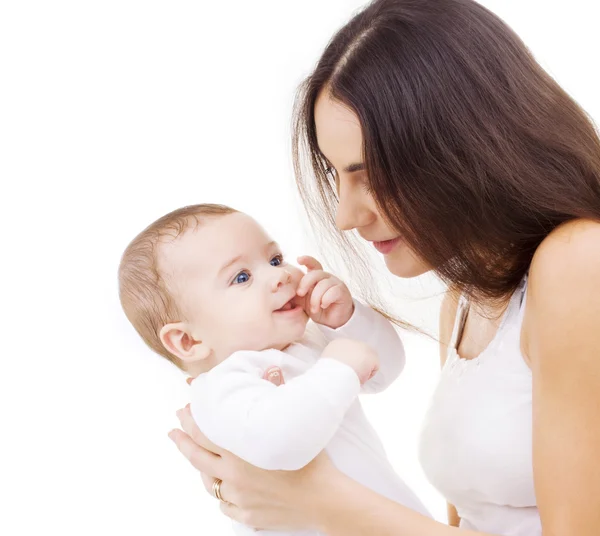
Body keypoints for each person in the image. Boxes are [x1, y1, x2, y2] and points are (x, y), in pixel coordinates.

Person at [168, 1, 600, 534]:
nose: (345, 216)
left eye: (368, 174)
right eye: (337, 176)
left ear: (465, 148)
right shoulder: (464, 305)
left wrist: (316, 497)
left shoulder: (580, 262)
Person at [118, 204, 430, 535]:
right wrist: (340, 365)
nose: (280, 275)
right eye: (242, 277)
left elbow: (384, 370)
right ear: (187, 340)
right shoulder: (220, 389)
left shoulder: (306, 342)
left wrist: (346, 319)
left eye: (275, 260)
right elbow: (282, 445)